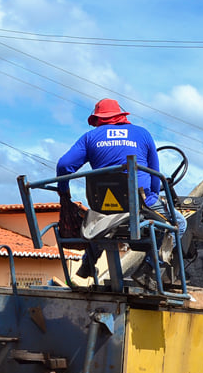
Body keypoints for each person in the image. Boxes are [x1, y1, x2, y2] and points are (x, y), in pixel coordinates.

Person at [56, 99, 186, 281]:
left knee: (100, 219)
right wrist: (153, 197)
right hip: (141, 203)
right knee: (179, 223)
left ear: (98, 119)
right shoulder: (142, 134)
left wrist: (64, 192)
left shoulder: (90, 137)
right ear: (120, 115)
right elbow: (155, 175)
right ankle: (148, 269)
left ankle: (87, 264)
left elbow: (64, 165)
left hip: (102, 204)